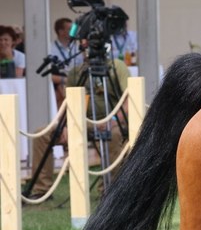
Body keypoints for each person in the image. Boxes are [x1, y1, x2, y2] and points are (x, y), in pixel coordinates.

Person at [26, 42, 131, 198]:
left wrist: (113, 120)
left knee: (114, 135)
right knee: (42, 134)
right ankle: (42, 190)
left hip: (115, 120)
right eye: (84, 46)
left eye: (91, 45)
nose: (87, 50)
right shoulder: (77, 72)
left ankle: (108, 191)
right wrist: (67, 125)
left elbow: (128, 99)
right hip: (82, 121)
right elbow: (69, 102)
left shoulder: (117, 66)